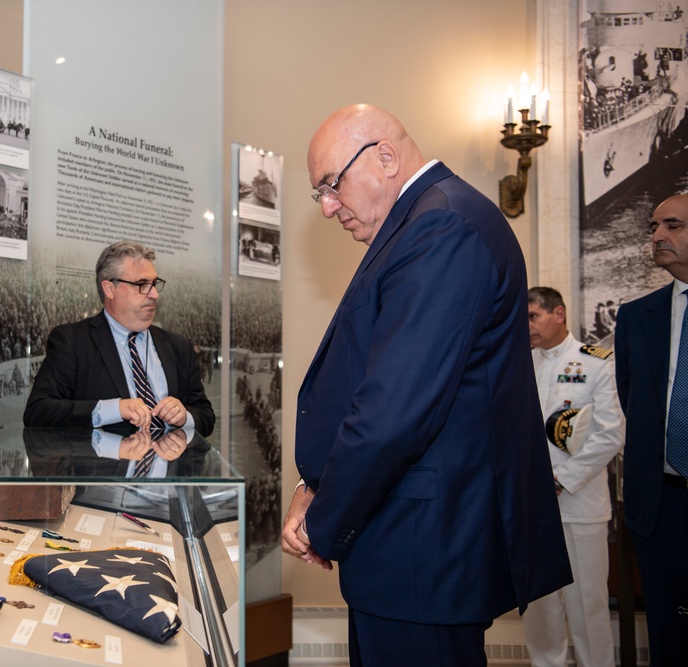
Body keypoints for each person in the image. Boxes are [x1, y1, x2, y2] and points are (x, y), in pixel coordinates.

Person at [280, 104, 571, 666]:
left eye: (331, 185)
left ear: (385, 156)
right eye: (319, 192)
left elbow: (394, 411)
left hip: (423, 550)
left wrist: (322, 518)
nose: (326, 207)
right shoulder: (426, 221)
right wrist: (313, 481)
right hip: (409, 547)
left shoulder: (442, 225)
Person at [525, 286, 624, 667]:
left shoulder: (597, 362)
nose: (527, 325)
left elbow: (611, 433)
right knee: (540, 610)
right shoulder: (520, 364)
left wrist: (560, 479)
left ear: (559, 314)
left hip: (579, 504)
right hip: (532, 507)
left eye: (533, 316)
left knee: (587, 607)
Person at [24, 240, 215, 436]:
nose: (155, 294)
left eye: (155, 284)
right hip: (105, 465)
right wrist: (113, 410)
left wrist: (185, 417)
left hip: (169, 464)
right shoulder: (72, 342)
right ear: (109, 289)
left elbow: (206, 416)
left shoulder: (178, 346)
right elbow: (38, 412)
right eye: (142, 284)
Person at [614, 192, 688, 665]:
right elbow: (633, 400)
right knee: (669, 633)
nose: (658, 236)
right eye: (654, 227)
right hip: (661, 503)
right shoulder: (636, 316)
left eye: (674, 226)